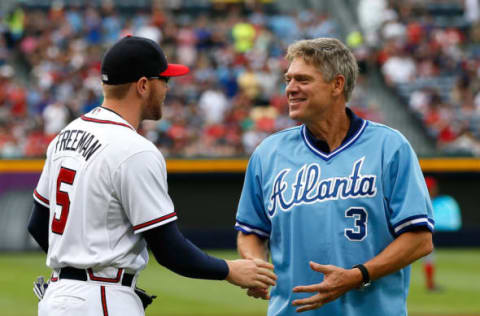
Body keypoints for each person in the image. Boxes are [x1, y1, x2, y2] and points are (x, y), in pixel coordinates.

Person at [27, 35, 276, 316]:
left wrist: (74, 267)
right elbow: (168, 248)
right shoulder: (134, 150)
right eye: (164, 80)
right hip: (102, 298)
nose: (168, 88)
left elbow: (38, 225)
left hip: (57, 297)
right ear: (144, 85)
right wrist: (229, 269)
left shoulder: (67, 134)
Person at [234, 37, 434, 315]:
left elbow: (419, 239)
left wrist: (357, 275)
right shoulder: (268, 153)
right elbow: (250, 232)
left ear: (337, 85)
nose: (290, 89)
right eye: (288, 79)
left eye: (302, 80)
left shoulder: (389, 146)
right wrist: (257, 266)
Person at [423, 176, 462, 291]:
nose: (433, 190)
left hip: (424, 236)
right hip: (413, 236)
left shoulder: (434, 201)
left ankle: (430, 285)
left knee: (429, 258)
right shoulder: (422, 201)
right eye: (431, 188)